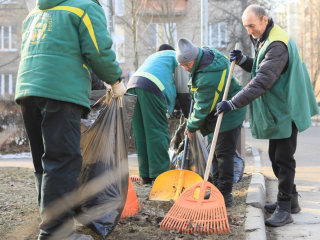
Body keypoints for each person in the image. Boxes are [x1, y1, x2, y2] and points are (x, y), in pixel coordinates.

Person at [14, 0, 125, 239]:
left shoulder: (37, 12)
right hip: (60, 90)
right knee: (63, 161)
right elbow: (97, 50)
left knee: (44, 162)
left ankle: (49, 226)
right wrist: (115, 81)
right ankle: (57, 233)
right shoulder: (84, 7)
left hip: (27, 90)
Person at [215, 5, 319, 227]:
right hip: (280, 108)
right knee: (275, 155)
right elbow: (263, 69)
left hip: (287, 107)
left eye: (251, 26)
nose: (249, 31)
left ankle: (284, 209)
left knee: (283, 157)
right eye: (246, 27)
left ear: (264, 20)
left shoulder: (277, 44)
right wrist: (243, 60)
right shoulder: (266, 38)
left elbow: (263, 80)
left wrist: (233, 103)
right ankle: (291, 200)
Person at [176, 38, 247, 207]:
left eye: (187, 65)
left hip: (229, 113)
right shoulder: (205, 55)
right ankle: (215, 187)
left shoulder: (208, 76)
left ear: (194, 58)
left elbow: (202, 107)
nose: (185, 69)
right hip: (219, 111)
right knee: (214, 152)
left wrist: (191, 127)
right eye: (183, 66)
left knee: (223, 154)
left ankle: (224, 195)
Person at [127, 44, 191, 185]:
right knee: (156, 132)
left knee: (141, 133)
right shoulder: (176, 58)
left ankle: (146, 176)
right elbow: (184, 93)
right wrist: (189, 118)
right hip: (151, 87)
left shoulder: (154, 57)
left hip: (131, 87)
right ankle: (160, 176)